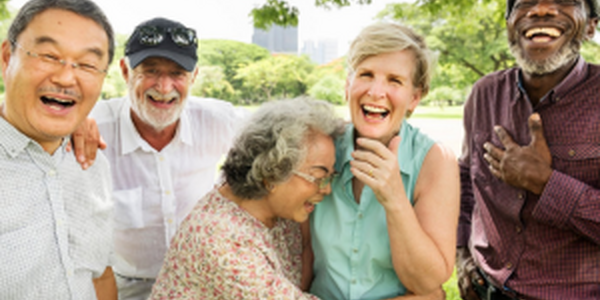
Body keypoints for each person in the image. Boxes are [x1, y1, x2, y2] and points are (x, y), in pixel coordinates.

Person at [84, 17, 246, 300]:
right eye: (151, 70)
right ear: (125, 71)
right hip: (125, 285)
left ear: (193, 77)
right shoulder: (92, 125)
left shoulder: (218, 120)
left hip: (202, 281)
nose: (164, 86)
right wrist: (69, 123)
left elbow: (279, 137)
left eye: (178, 73)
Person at [456, 0, 600, 299]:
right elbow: (466, 179)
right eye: (525, 2)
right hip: (486, 289)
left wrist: (545, 183)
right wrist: (462, 255)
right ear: (509, 24)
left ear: (591, 26)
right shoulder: (484, 93)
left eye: (564, 0)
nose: (541, 10)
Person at [309, 22, 460, 299]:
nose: (376, 92)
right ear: (347, 86)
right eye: (366, 75)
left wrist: (395, 199)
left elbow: (427, 282)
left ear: (415, 97)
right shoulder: (318, 148)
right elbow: (297, 259)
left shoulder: (435, 161)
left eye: (395, 80)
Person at [148, 98, 344, 299]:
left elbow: (304, 251)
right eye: (319, 177)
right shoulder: (222, 240)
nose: (327, 189)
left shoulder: (274, 207)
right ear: (273, 172)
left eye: (330, 177)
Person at [0, 0, 115, 299]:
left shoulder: (93, 162)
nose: (66, 78)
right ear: (6, 57)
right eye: (49, 56)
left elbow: (100, 275)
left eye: (88, 64)